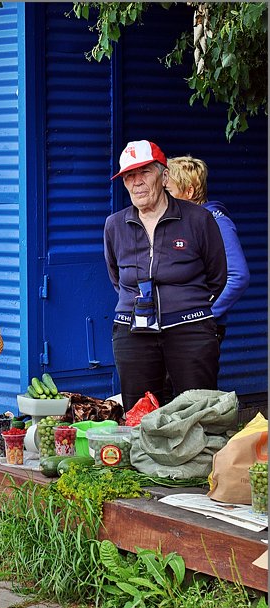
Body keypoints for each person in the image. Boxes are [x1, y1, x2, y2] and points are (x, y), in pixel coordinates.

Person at [103, 139, 227, 411]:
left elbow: (218, 276)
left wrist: (185, 307)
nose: (137, 182)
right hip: (133, 331)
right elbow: (116, 278)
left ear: (164, 175)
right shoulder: (115, 225)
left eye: (144, 172)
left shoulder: (198, 219)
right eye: (129, 176)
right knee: (139, 414)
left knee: (198, 413)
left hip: (190, 330)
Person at [165, 156, 249, 344]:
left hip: (198, 331)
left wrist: (203, 315)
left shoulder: (216, 222)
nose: (163, 198)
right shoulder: (179, 224)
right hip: (175, 327)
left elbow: (238, 276)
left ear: (189, 192)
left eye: (168, 191)